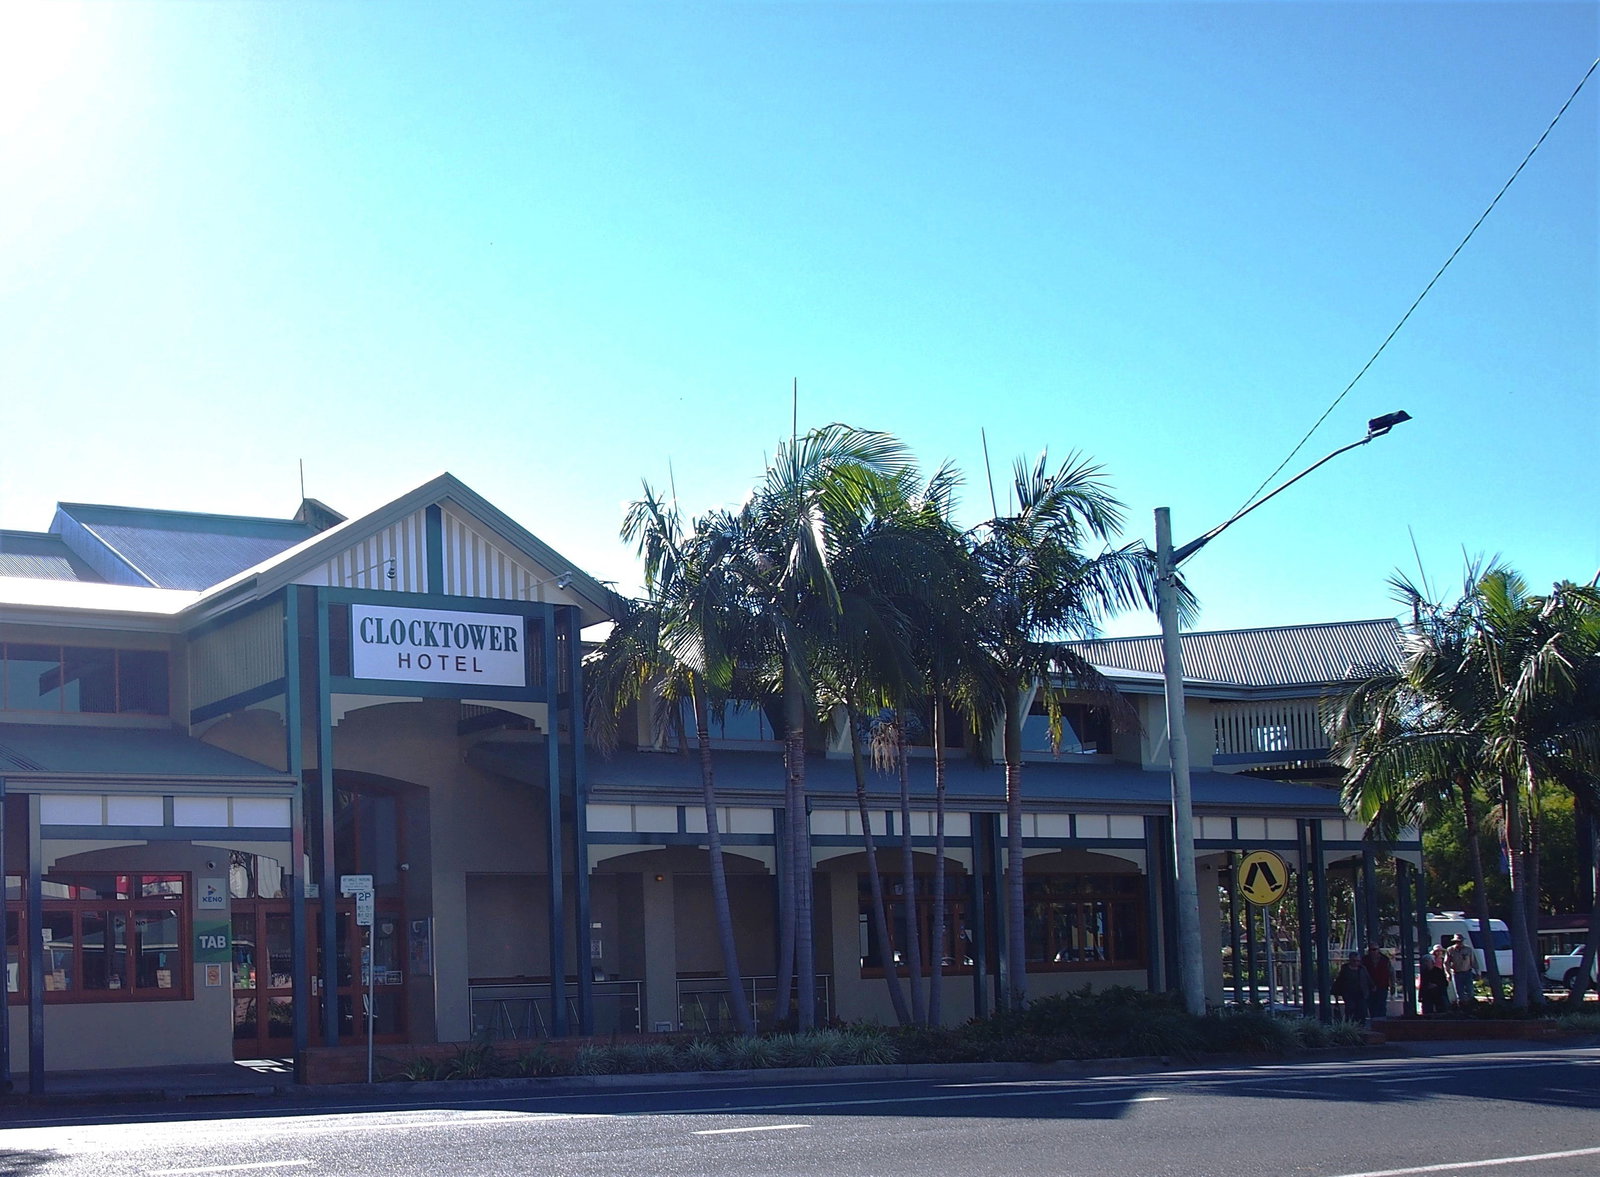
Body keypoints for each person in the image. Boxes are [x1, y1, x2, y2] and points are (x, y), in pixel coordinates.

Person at [1333, 951, 1372, 1023]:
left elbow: (1368, 979)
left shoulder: (1362, 969)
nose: (1356, 963)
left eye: (1358, 961)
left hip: (1361, 994)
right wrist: (1337, 996)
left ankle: (1361, 1028)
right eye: (1354, 961)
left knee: (1362, 1013)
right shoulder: (1345, 970)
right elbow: (1339, 982)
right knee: (1350, 1013)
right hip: (1349, 995)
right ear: (1350, 960)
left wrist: (1371, 988)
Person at [1445, 934, 1478, 1007]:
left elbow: (1473, 961)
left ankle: (1472, 1006)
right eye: (1458, 941)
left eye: (1461, 941)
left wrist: (1477, 972)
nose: (1460, 943)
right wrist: (1448, 973)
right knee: (1459, 992)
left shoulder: (1468, 949)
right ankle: (1461, 1007)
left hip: (1467, 972)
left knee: (1470, 991)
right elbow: (1446, 962)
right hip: (1457, 973)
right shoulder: (1450, 950)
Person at [1363, 944, 1393, 1021]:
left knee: (1381, 1005)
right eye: (1371, 950)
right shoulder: (1365, 960)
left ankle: (1382, 1023)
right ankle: (1374, 1022)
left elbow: (1391, 972)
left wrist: (1392, 985)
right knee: (1371, 1005)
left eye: (1374, 949)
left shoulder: (1385, 960)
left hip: (1382, 986)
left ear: (1378, 950)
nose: (1373, 952)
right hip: (1369, 987)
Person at [1419, 946, 1450, 1014]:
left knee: (1442, 1002)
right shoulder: (1426, 972)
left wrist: (1437, 985)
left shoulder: (1440, 968)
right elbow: (1423, 983)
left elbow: (1444, 981)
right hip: (1430, 991)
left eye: (1440, 951)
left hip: (1439, 990)